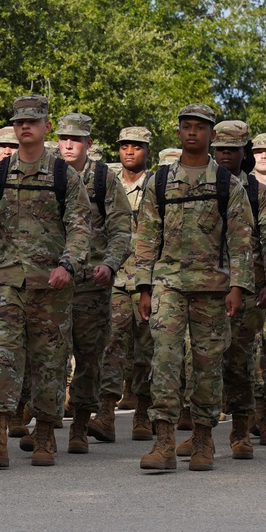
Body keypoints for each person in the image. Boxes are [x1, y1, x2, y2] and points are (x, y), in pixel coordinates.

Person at [0, 95, 91, 468]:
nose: (25, 127)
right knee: (0, 356)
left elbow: (81, 227)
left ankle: (46, 435)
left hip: (51, 284)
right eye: (19, 121)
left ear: (46, 127)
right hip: (6, 281)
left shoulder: (63, 176)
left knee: (49, 361)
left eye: (32, 121)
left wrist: (68, 265)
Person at [132, 104, 255, 473]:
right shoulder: (160, 181)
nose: (191, 133)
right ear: (178, 132)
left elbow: (240, 240)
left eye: (199, 128)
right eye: (185, 127)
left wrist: (238, 286)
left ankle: (203, 440)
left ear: (211, 135)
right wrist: (144, 285)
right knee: (165, 361)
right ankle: (164, 442)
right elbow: (146, 236)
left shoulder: (226, 184)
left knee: (207, 366)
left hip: (213, 289)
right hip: (168, 284)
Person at [55, 115, 131, 451]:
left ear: (88, 143)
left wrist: (111, 265)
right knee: (49, 355)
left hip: (90, 283)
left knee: (88, 357)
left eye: (76, 139)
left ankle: (80, 426)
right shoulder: (49, 174)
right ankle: (46, 421)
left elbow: (121, 230)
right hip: (52, 283)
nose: (69, 145)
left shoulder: (104, 179)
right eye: (63, 138)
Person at [209, 122, 266, 458]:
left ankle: (240, 433)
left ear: (245, 152)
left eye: (232, 148)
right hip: (203, 285)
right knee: (198, 361)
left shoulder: (257, 193)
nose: (225, 154)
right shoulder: (201, 183)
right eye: (220, 148)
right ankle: (201, 431)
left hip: (247, 289)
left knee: (239, 362)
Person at [98, 126, 154, 437]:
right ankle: (105, 410)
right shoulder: (108, 182)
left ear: (147, 150)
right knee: (113, 343)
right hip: (116, 277)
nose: (129, 151)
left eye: (136, 146)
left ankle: (143, 412)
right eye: (124, 146)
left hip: (147, 279)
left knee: (147, 348)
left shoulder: (157, 184)